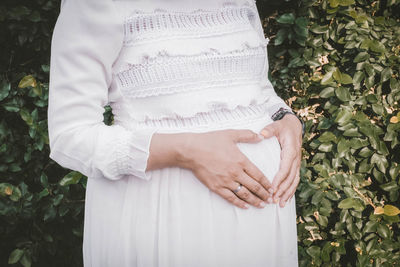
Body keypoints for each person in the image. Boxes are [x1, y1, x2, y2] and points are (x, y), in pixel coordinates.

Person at [47, 0, 304, 266]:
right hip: (163, 221)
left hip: (260, 225)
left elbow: (257, 87)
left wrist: (286, 118)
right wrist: (186, 151)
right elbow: (70, 135)